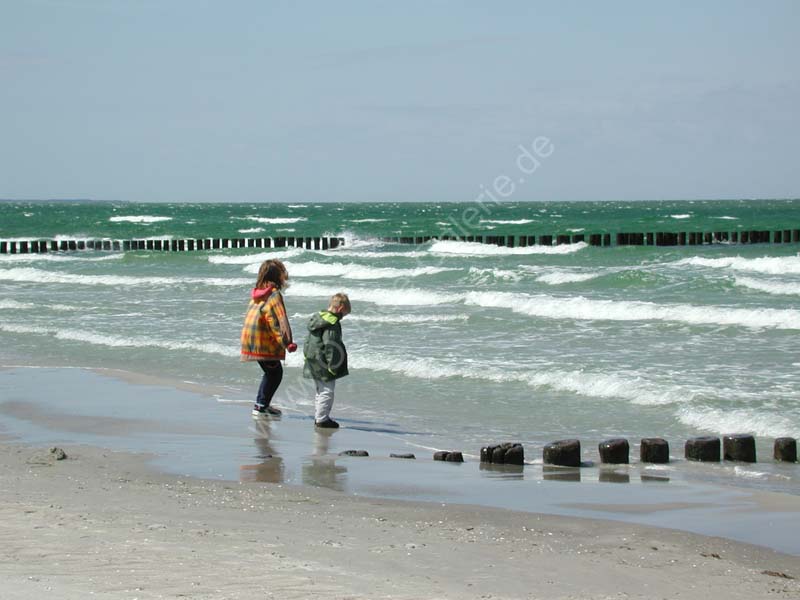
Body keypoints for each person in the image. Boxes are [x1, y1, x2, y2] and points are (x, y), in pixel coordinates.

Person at [240, 259, 296, 417]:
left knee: (271, 372)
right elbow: (278, 320)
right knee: (275, 373)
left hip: (250, 338)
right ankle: (260, 406)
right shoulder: (274, 295)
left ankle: (263, 404)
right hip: (263, 340)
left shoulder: (257, 293)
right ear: (278, 276)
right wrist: (287, 342)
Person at [302, 293, 350, 428]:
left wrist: (306, 356)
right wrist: (333, 365)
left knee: (320, 390)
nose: (343, 317)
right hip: (324, 362)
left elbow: (308, 341)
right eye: (344, 314)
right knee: (327, 391)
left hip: (313, 359)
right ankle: (322, 419)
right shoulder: (332, 323)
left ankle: (319, 416)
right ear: (340, 309)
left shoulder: (318, 318)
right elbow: (331, 345)